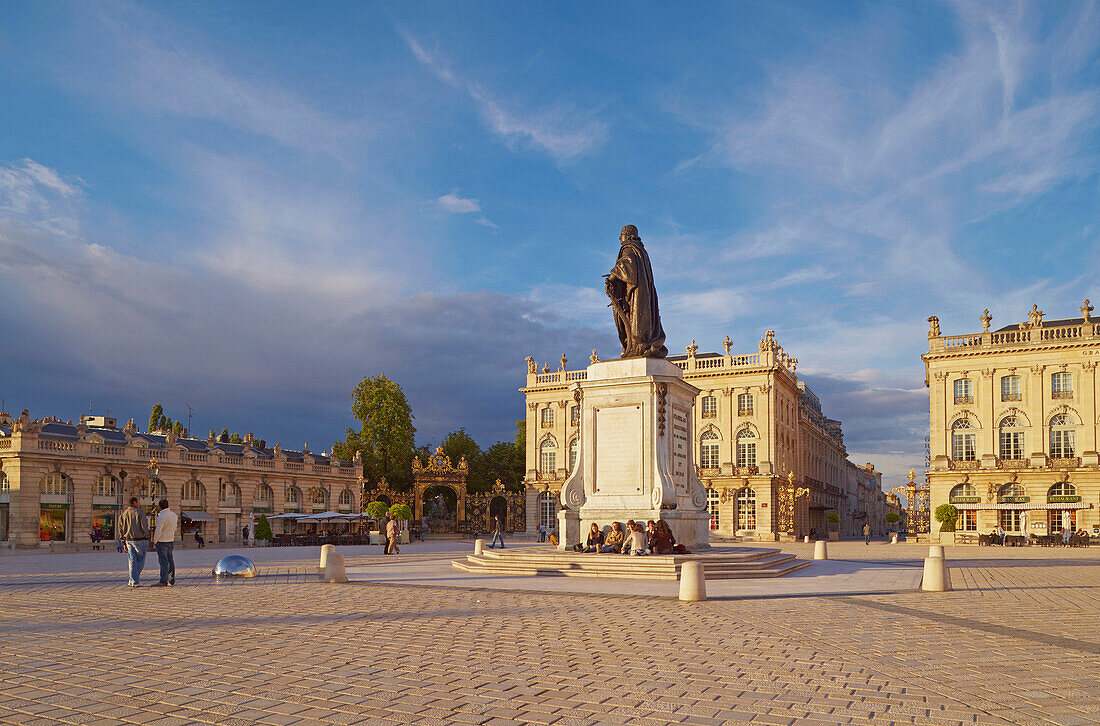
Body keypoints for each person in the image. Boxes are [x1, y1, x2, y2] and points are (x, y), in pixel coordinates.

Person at [117, 496, 150, 587]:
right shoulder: (140, 512)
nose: (139, 504)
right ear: (135, 502)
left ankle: (132, 581)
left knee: (132, 561)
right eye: (138, 502)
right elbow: (144, 526)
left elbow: (120, 529)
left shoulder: (123, 514)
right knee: (141, 561)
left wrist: (123, 542)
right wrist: (147, 536)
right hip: (140, 539)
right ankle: (134, 580)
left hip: (128, 540)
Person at [152, 499, 178, 587]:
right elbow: (175, 528)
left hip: (162, 541)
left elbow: (158, 529)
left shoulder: (161, 516)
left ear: (160, 507)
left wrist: (155, 540)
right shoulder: (174, 515)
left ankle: (163, 580)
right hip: (170, 540)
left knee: (163, 562)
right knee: (170, 560)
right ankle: (171, 579)